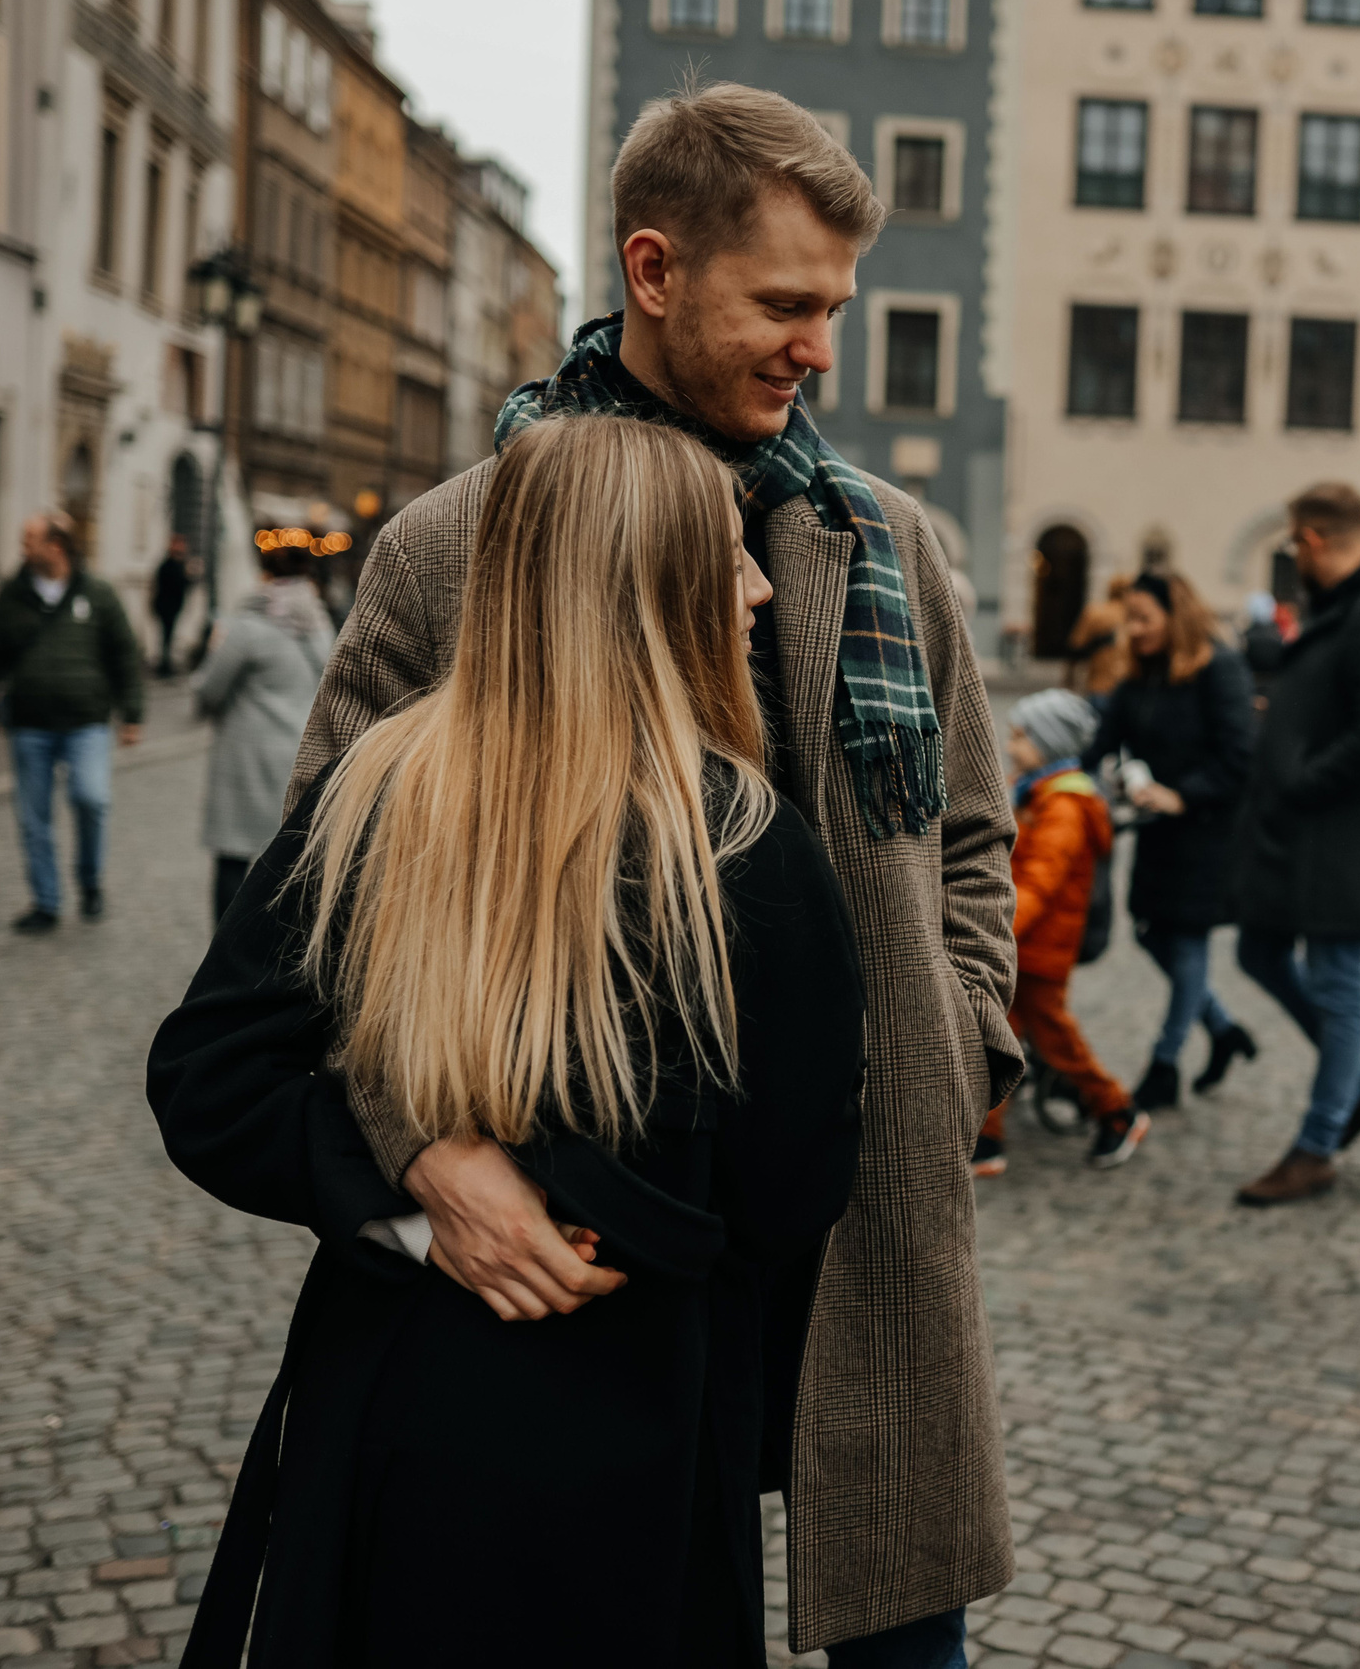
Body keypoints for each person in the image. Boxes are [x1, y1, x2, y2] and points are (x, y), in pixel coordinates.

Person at [284, 80, 1019, 1665]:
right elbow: (324, 903)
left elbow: (970, 831)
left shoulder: (886, 541)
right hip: (591, 1233)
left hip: (862, 1217)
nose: (818, 346)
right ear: (654, 268)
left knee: (908, 1637)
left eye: (834, 308)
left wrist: (961, 1039)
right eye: (784, 304)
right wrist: (424, 1149)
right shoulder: (458, 545)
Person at [150, 415, 864, 1666]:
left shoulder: (379, 787)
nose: (757, 587)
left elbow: (212, 1080)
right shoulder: (749, 845)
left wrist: (411, 1197)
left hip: (393, 1397)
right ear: (650, 585)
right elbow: (793, 1191)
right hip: (640, 1428)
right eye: (727, 555)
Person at [1229, 483, 1360, 1208]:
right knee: (1258, 951)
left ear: (1311, 539)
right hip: (1304, 833)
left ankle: (1317, 1146)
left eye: (1293, 545)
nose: (1295, 558)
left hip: (1341, 837)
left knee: (1338, 982)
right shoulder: (1347, 606)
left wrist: (1302, 778)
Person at [1086, 571, 1258, 1112]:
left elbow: (1240, 755)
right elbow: (1102, 741)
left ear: (1174, 615)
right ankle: (1223, 1029)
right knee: (1151, 933)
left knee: (1186, 945)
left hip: (1207, 832)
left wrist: (1183, 796)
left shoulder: (1219, 668)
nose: (1134, 630)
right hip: (1157, 831)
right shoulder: (1141, 675)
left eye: (1144, 618)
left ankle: (1164, 1065)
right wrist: (1062, 775)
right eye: (1130, 619)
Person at [975, 688, 1147, 1177]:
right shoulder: (1035, 791)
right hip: (1025, 944)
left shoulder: (1064, 806)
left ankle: (1117, 1109)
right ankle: (986, 1137)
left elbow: (1039, 882)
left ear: (1048, 743)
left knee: (1053, 1040)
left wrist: (998, 933)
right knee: (998, 1036)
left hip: (1039, 948)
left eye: (1021, 736)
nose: (1011, 744)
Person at [0, 514, 144, 933]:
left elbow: (125, 654)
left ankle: (90, 880)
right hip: (29, 725)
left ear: (56, 546)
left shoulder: (98, 592)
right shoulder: (13, 594)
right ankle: (46, 902)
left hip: (87, 722)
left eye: (29, 540)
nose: (22, 549)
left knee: (92, 799)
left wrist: (132, 714)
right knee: (34, 818)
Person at [192, 538, 334, 921]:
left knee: (233, 853)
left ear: (266, 575)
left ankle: (223, 947)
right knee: (285, 859)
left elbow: (209, 689)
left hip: (246, 758)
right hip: (298, 753)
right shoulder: (319, 626)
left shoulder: (248, 626)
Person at [151, 532, 195, 677]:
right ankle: (164, 665)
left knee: (168, 637)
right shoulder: (170, 565)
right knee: (166, 637)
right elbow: (175, 584)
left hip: (172, 607)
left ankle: (165, 663)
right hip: (167, 607)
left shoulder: (176, 564)